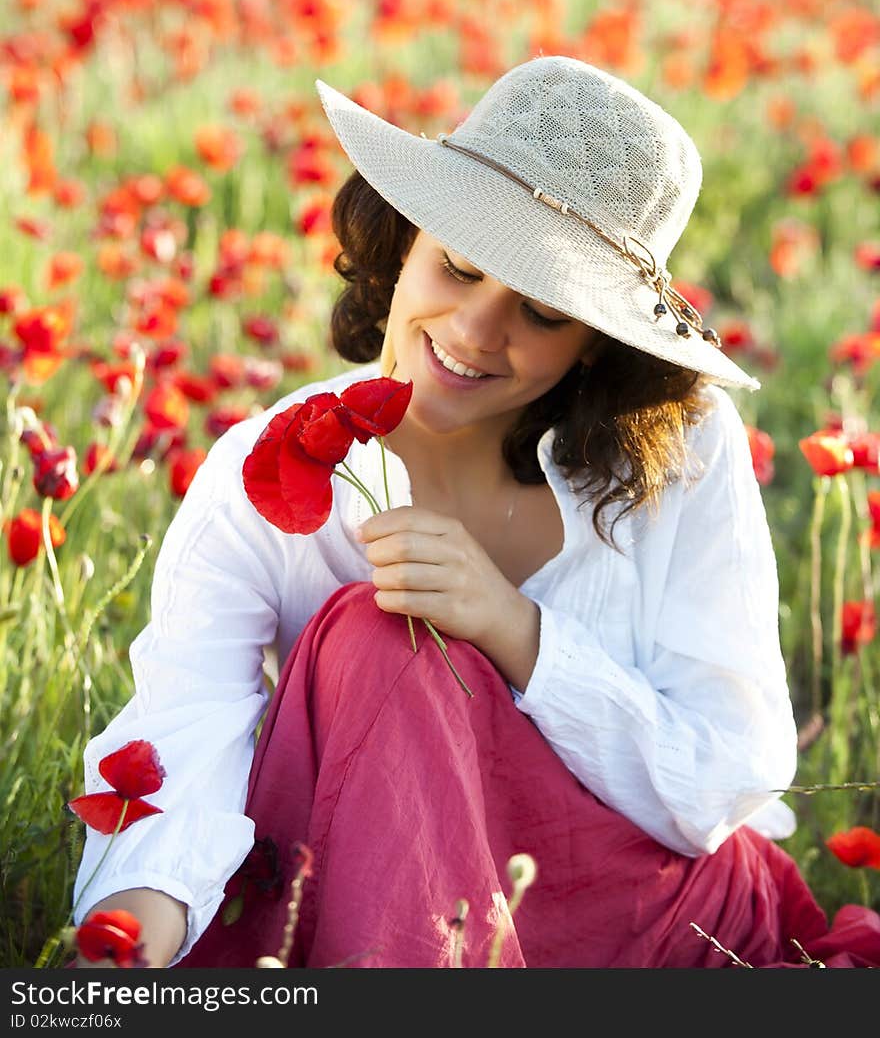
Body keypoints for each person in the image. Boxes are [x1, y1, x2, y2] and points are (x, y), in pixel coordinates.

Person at [71, 56, 880, 969]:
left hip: (647, 918)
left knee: (392, 632)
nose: (474, 331)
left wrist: (514, 628)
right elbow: (182, 729)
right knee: (380, 635)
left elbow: (730, 773)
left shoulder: (681, 451)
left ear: (590, 346)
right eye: (458, 267)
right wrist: (127, 946)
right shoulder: (267, 470)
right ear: (406, 243)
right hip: (385, 909)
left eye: (539, 312)